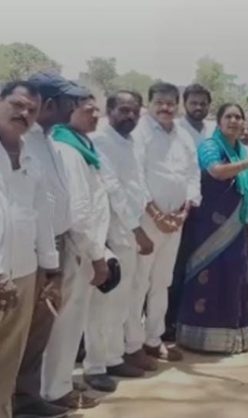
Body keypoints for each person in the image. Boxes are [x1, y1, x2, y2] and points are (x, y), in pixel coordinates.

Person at [15, 72, 87, 416]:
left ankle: (27, 399)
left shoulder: (51, 141)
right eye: (68, 101)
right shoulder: (20, 141)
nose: (73, 107)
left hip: (53, 246)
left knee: (39, 329)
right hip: (24, 252)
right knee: (19, 332)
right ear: (47, 102)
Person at [177, 103, 248, 354]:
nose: (234, 121)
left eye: (238, 117)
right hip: (209, 227)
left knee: (233, 279)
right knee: (209, 279)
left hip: (237, 227)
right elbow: (216, 172)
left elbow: (247, 190)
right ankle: (199, 338)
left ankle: (232, 338)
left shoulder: (242, 150)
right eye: (228, 116)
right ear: (218, 122)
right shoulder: (210, 146)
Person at [43, 93, 112, 406]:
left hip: (83, 245)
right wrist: (97, 256)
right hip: (77, 247)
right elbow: (81, 211)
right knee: (66, 323)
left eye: (96, 109)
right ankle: (55, 391)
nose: (95, 114)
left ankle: (57, 385)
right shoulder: (67, 149)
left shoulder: (82, 145)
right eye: (87, 110)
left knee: (69, 322)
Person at [125, 82, 200, 364]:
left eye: (171, 102)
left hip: (177, 219)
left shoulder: (183, 135)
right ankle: (131, 344)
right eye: (160, 102)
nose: (166, 108)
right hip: (147, 219)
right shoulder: (140, 133)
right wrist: (157, 214)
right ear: (150, 104)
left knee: (162, 281)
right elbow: (136, 177)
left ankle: (153, 339)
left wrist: (184, 211)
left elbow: (193, 174)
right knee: (139, 282)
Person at [0, 81, 59, 418]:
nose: (24, 114)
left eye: (31, 110)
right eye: (17, 104)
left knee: (7, 364)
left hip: (22, 276)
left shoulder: (31, 159)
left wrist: (50, 271)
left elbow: (41, 218)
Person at [92, 91, 157, 376]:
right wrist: (137, 230)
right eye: (123, 110)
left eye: (134, 111)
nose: (129, 116)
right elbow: (113, 190)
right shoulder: (101, 141)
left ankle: (117, 354)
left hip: (132, 230)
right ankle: (105, 361)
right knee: (109, 301)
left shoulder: (129, 141)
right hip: (115, 233)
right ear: (109, 110)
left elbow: (137, 184)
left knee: (127, 298)